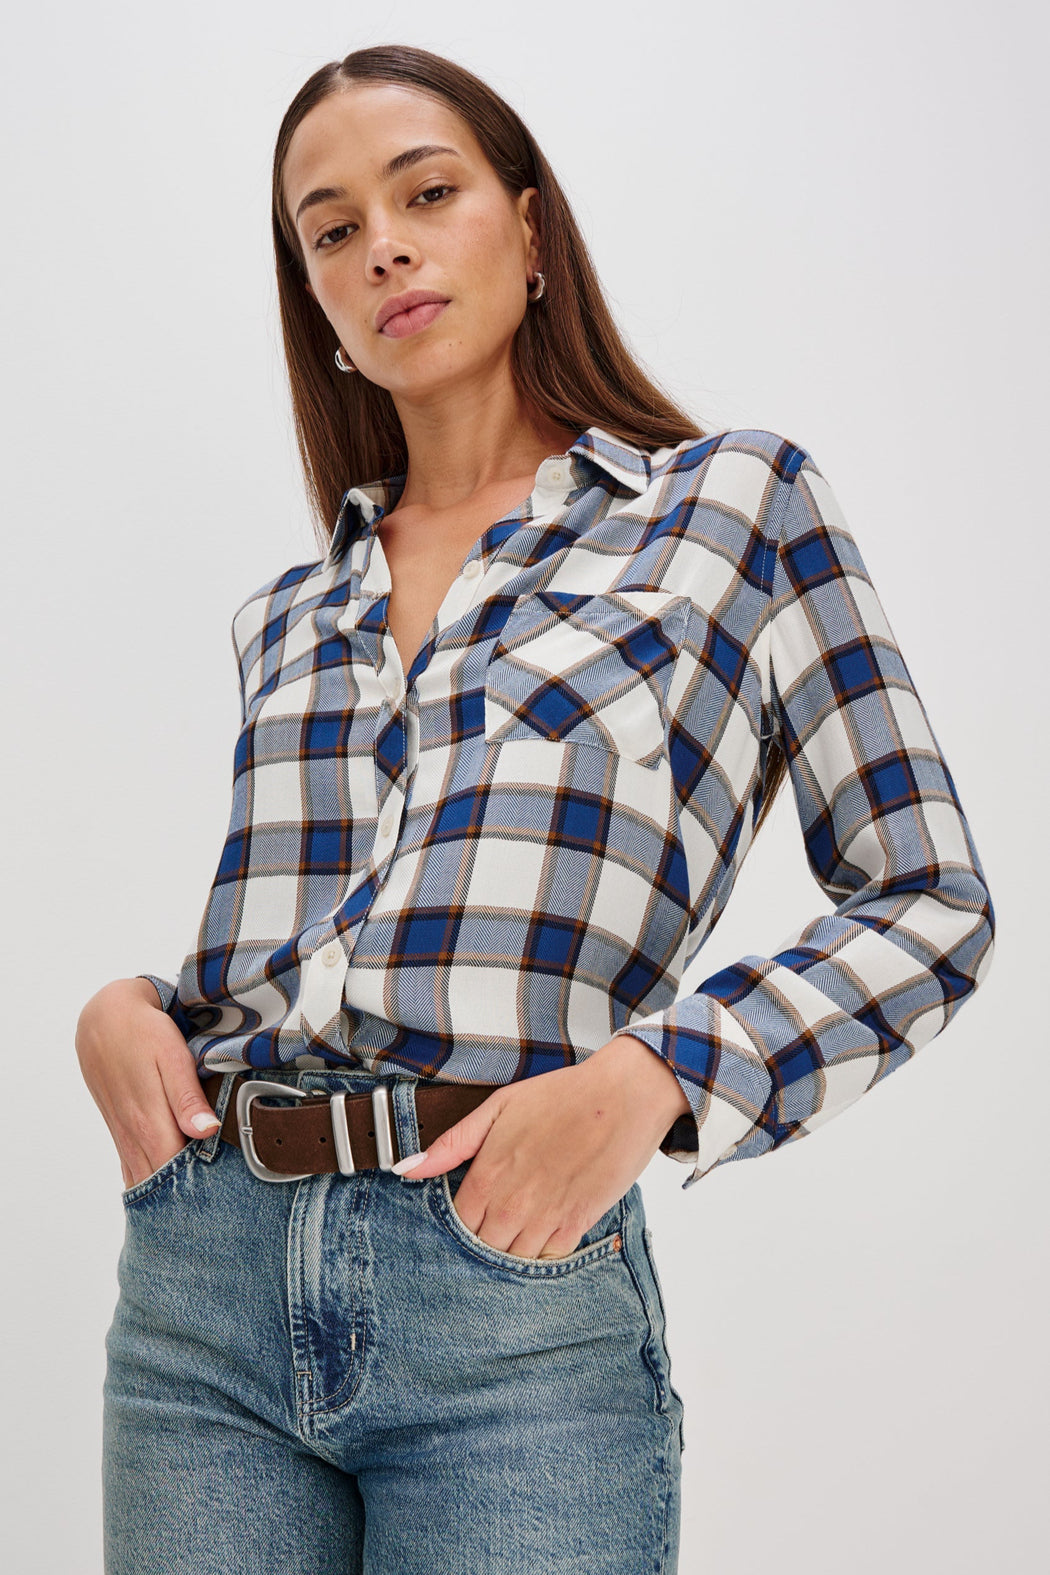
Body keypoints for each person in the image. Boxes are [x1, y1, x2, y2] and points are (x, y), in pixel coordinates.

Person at [75, 42, 995, 1575]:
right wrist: (131, 1011)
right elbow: (320, 940)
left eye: (425, 193)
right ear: (315, 300)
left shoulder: (732, 509)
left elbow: (927, 903)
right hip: (201, 1292)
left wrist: (655, 1077)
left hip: (506, 1290)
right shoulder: (289, 612)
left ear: (528, 227)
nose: (383, 247)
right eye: (331, 230)